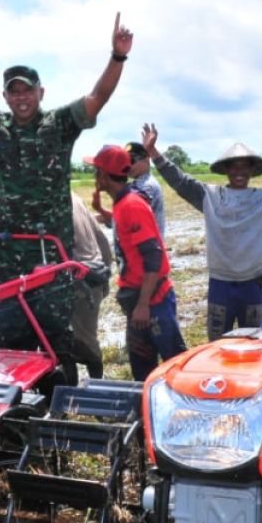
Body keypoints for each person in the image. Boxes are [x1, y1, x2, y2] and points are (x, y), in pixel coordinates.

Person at [0, 13, 133, 381]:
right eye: (14, 91)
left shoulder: (60, 125)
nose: (21, 97)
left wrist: (117, 57)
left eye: (27, 90)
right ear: (5, 96)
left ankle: (57, 406)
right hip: (7, 259)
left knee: (55, 342)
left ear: (40, 92)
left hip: (51, 258)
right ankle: (18, 412)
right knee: (9, 343)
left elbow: (97, 98)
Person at [146, 124, 262, 340]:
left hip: (252, 285)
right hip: (220, 284)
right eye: (234, 167)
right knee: (217, 345)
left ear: (251, 170)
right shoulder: (209, 196)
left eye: (244, 167)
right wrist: (154, 153)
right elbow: (180, 181)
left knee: (255, 344)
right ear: (226, 170)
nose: (239, 172)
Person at [88, 144, 185, 381]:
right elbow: (127, 233)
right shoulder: (123, 203)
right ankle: (146, 412)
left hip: (153, 301)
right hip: (139, 298)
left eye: (96, 171)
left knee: (175, 364)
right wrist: (101, 210)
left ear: (103, 175)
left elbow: (153, 256)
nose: (94, 177)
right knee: (142, 366)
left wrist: (143, 305)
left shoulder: (132, 204)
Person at [69, 191, 113, 379]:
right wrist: (105, 270)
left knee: (80, 342)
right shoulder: (76, 198)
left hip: (78, 278)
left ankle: (95, 386)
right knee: (84, 337)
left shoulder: (46, 203)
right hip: (92, 274)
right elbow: (101, 237)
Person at [92, 141, 166, 238]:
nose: (128, 165)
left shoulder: (146, 186)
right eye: (125, 161)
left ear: (147, 159)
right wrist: (100, 210)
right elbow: (122, 221)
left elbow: (130, 219)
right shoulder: (138, 185)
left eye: (132, 160)